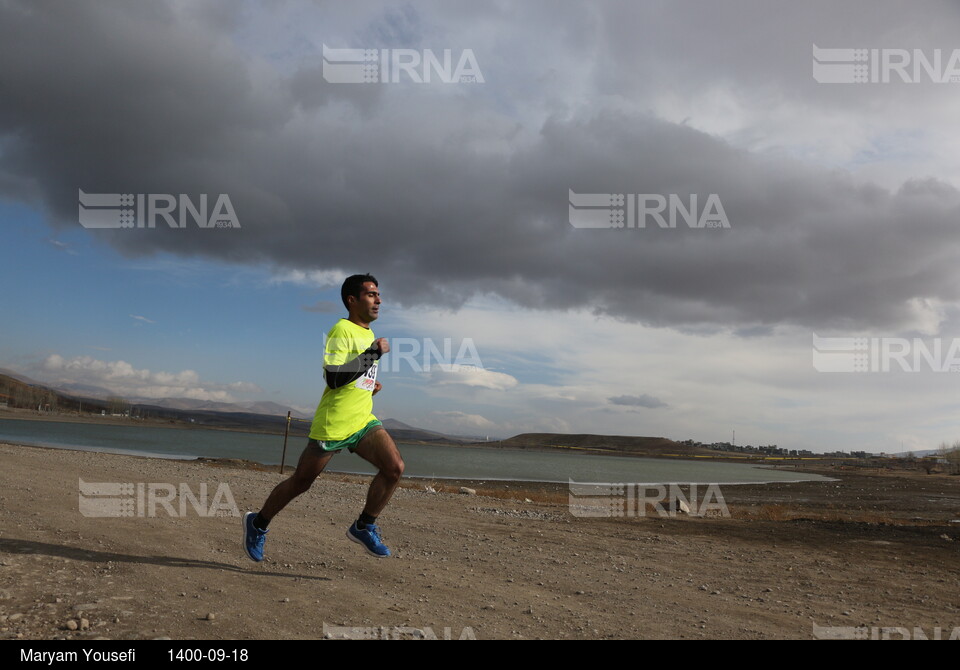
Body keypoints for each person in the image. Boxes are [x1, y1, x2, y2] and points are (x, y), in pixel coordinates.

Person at [243, 274, 404, 560]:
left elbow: (351, 376)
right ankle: (258, 523)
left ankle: (364, 526)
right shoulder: (341, 330)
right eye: (370, 295)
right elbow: (333, 377)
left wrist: (368, 386)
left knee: (394, 468)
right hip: (333, 423)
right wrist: (374, 354)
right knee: (301, 483)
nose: (378, 300)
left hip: (362, 420)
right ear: (352, 300)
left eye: (378, 295)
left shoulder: (367, 334)